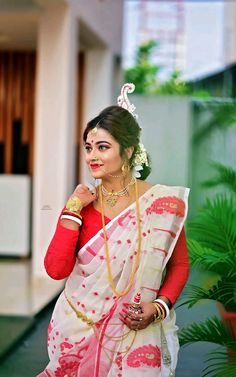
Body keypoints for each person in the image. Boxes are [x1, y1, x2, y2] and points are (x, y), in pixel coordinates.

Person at [37, 83, 189, 377]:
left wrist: (158, 307)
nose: (92, 155)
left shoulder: (161, 204)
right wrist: (72, 209)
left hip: (137, 335)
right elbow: (56, 269)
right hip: (75, 334)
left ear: (128, 151)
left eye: (103, 147)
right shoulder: (82, 205)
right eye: (88, 148)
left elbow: (180, 265)